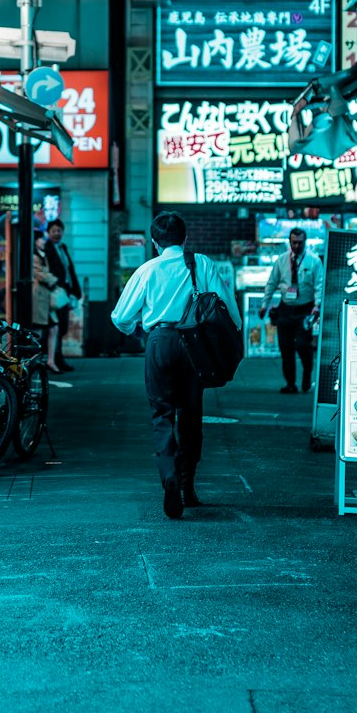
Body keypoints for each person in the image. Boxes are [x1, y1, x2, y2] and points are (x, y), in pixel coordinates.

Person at [110, 211, 241, 520]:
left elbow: (120, 317)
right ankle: (187, 486)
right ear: (185, 238)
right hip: (195, 346)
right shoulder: (201, 264)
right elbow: (228, 308)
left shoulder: (147, 270)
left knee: (161, 415)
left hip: (159, 341)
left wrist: (142, 332)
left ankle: (168, 475)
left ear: (155, 242)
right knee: (191, 415)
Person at [259, 225, 323, 394]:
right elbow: (271, 283)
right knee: (285, 347)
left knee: (303, 345)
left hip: (305, 309)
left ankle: (307, 374)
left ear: (305, 242)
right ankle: (290, 383)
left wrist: (317, 306)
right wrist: (265, 304)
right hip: (285, 308)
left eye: (300, 243)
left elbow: (319, 285)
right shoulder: (281, 260)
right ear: (289, 242)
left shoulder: (314, 260)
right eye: (294, 243)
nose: (297, 246)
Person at [44, 219, 81, 374]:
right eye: (54, 230)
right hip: (54, 291)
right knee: (56, 326)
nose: (57, 233)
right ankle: (54, 358)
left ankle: (57, 357)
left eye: (59, 230)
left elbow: (69, 270)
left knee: (63, 325)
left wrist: (75, 290)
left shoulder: (63, 247)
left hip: (65, 291)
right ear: (48, 232)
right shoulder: (46, 248)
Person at [31, 230, 62, 375]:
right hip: (39, 297)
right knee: (40, 328)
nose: (43, 241)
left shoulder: (41, 255)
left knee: (51, 327)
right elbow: (39, 274)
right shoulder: (35, 256)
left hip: (45, 298)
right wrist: (53, 279)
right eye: (41, 239)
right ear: (35, 241)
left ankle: (49, 359)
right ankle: (36, 359)